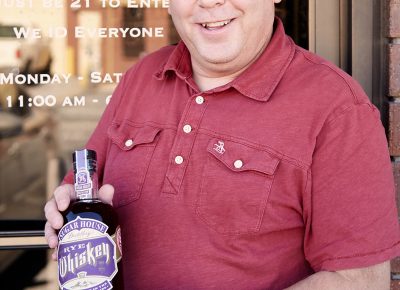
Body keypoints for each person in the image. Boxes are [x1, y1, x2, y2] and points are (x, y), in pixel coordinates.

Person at [44, 0, 400, 289]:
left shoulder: (336, 108)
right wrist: (66, 210)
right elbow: (81, 192)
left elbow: (361, 279)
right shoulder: (140, 77)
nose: (209, 3)